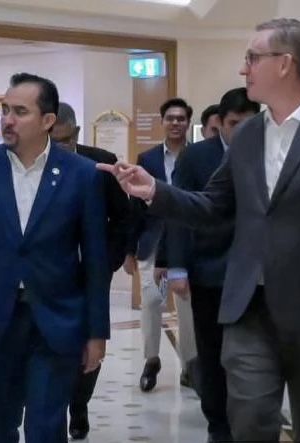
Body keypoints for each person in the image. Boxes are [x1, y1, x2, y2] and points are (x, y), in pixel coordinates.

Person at [97, 18, 300, 442]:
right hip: (248, 308)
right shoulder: (248, 134)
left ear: (285, 64)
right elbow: (213, 205)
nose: (244, 68)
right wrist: (154, 191)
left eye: (253, 58)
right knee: (249, 420)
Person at [0, 72, 110, 442]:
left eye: (19, 111)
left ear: (48, 121)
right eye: (4, 110)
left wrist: (97, 332)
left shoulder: (81, 175)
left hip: (55, 320)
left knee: (45, 427)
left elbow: (95, 259)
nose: (7, 120)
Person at [159, 87, 260, 443]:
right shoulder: (197, 156)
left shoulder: (271, 154)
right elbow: (178, 213)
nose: (242, 132)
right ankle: (218, 424)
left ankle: (251, 416)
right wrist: (177, 266)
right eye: (234, 124)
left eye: (250, 124)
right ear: (220, 123)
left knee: (255, 354)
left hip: (258, 276)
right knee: (213, 352)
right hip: (210, 271)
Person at [50, 101, 129, 440]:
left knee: (90, 339)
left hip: (91, 270)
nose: (59, 147)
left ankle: (79, 404)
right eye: (52, 140)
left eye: (65, 140)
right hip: (49, 272)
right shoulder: (32, 165)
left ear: (77, 134)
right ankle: (54, 405)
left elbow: (123, 217)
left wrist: (109, 260)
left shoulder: (100, 163)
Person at [124, 97, 196, 392]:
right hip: (152, 241)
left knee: (186, 305)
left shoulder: (197, 156)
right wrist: (129, 250)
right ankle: (151, 359)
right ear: (162, 122)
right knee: (152, 301)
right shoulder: (148, 159)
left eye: (181, 118)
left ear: (188, 122)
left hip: (186, 242)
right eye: (170, 118)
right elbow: (135, 207)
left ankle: (190, 366)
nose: (176, 123)